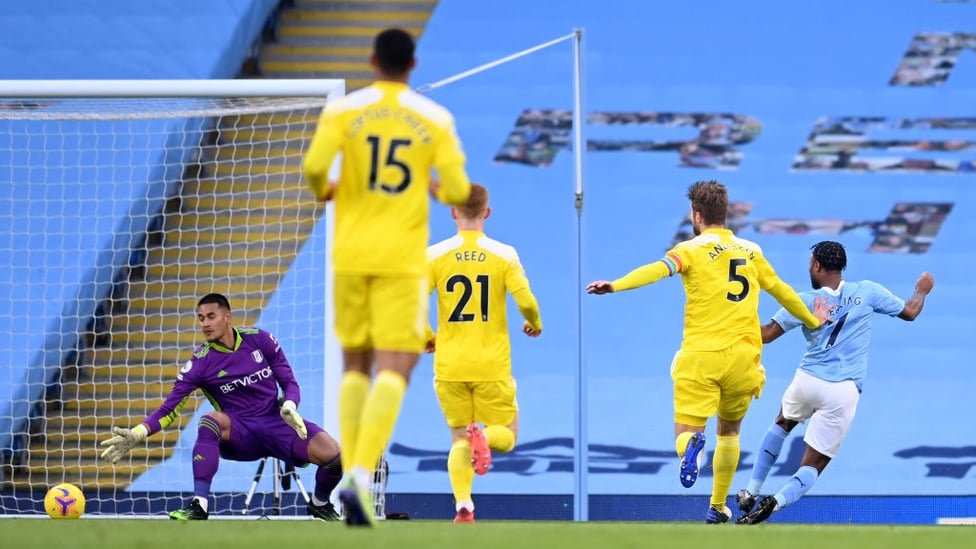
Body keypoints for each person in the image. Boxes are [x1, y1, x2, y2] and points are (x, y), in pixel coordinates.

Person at [301, 27, 472, 526]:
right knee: (396, 368)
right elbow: (459, 187)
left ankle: (350, 475)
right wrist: (436, 186)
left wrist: (330, 187)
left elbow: (313, 170)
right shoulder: (433, 118)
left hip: (351, 253)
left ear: (373, 61)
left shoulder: (344, 110)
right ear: (413, 65)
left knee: (356, 365)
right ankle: (356, 475)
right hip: (400, 258)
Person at [586, 180, 831, 524]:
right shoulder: (751, 251)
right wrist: (812, 319)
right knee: (729, 432)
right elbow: (782, 291)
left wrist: (615, 285)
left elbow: (657, 270)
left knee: (686, 433)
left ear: (696, 215)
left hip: (701, 356)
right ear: (724, 213)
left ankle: (690, 448)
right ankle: (717, 507)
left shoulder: (690, 250)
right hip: (745, 359)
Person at [736, 242, 934, 524]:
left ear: (817, 266)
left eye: (810, 263)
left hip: (808, 379)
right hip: (843, 390)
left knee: (782, 423)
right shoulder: (868, 291)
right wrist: (922, 290)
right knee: (815, 463)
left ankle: (751, 492)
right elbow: (911, 311)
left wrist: (731, 321)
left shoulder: (803, 300)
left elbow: (766, 335)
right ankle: (776, 502)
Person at [99, 293, 343, 521]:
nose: (205, 323)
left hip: (278, 422)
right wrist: (138, 432)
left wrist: (290, 404)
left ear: (228, 316)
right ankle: (200, 504)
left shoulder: (260, 340)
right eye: (201, 318)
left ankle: (320, 503)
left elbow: (289, 381)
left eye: (211, 317)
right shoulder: (199, 363)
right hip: (240, 432)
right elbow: (169, 409)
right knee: (210, 419)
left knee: (335, 456)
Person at [425, 183, 543, 523]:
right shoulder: (504, 254)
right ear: (487, 212)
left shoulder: (434, 255)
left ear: (452, 212)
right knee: (507, 435)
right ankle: (486, 437)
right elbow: (527, 301)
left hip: (449, 365)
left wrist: (426, 335)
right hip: (491, 364)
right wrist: (534, 322)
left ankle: (464, 505)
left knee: (459, 439)